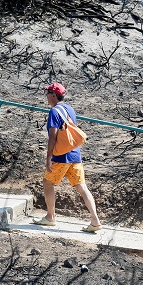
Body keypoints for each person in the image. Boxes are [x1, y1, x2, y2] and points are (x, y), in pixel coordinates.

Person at [33, 82, 102, 232]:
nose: (46, 96)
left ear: (53, 95)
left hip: (61, 156)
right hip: (75, 154)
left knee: (48, 183)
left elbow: (53, 137)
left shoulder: (54, 112)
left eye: (47, 93)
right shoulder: (70, 109)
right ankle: (95, 221)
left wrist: (48, 158)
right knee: (82, 187)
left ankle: (50, 217)